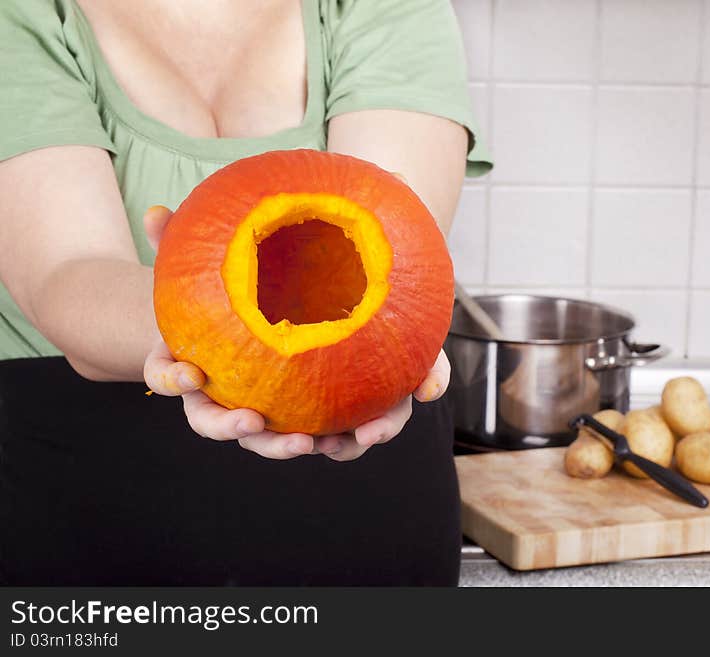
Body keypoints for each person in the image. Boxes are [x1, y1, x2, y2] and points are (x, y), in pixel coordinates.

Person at [0, 0, 491, 585]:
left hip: (367, 490)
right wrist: (201, 321)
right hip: (78, 499)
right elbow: (67, 273)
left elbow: (397, 244)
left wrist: (219, 316)